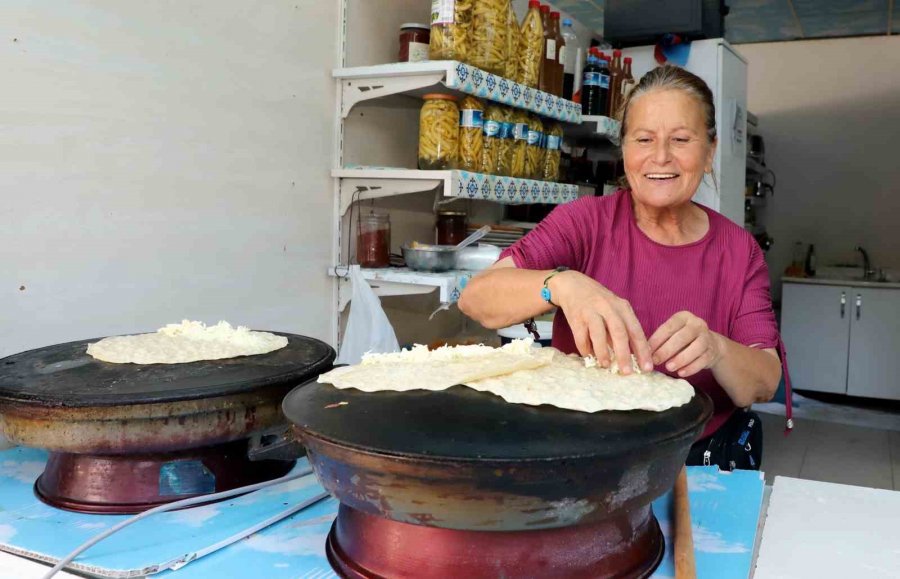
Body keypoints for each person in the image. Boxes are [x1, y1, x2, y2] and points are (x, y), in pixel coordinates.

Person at [458, 65, 783, 469]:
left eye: (681, 139)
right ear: (625, 148)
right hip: (583, 454)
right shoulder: (584, 222)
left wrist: (716, 349)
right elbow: (476, 298)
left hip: (697, 461)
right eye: (644, 139)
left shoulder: (738, 249)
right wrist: (560, 284)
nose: (660, 156)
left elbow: (765, 381)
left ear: (710, 150)